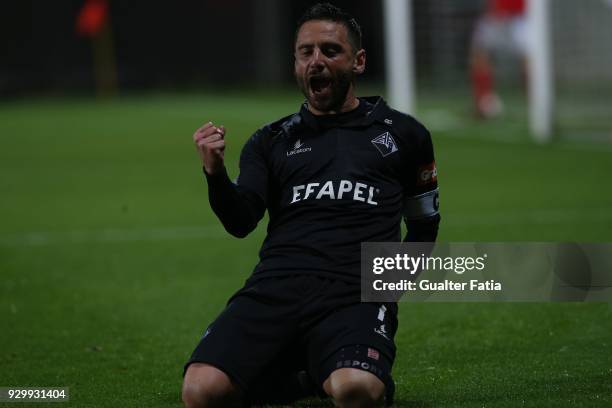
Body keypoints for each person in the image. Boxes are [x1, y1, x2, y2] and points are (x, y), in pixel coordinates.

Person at [182, 3, 440, 407]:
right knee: (200, 392)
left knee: (356, 390)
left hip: (353, 295)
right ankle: (306, 375)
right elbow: (241, 220)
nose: (316, 61)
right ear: (295, 62)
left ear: (358, 61)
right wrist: (215, 175)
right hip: (276, 289)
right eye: (306, 52)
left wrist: (383, 293)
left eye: (330, 51)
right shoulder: (270, 141)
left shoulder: (406, 135)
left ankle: (321, 368)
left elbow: (424, 228)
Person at [469, 0, 528, 118]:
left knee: (531, 61)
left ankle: (536, 102)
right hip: (497, 16)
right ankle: (483, 101)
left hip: (521, 17)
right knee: (479, 55)